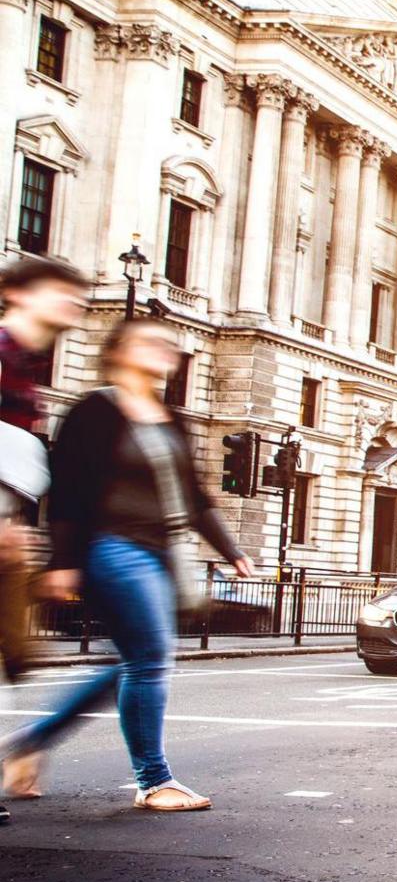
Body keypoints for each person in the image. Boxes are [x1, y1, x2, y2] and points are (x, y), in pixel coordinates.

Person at [0, 317, 253, 813]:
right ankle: (153, 780)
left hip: (160, 549)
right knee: (152, 655)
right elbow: (68, 491)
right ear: (117, 352)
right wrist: (63, 562)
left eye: (169, 345)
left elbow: (195, 497)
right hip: (111, 546)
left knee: (135, 661)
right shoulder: (94, 410)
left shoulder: (168, 416)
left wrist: (232, 550)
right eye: (150, 342)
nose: (165, 350)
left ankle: (32, 740)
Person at [0, 256, 88, 825]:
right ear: (16, 293)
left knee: (11, 656)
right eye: (61, 291)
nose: (75, 304)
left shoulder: (24, 368)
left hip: (9, 532)